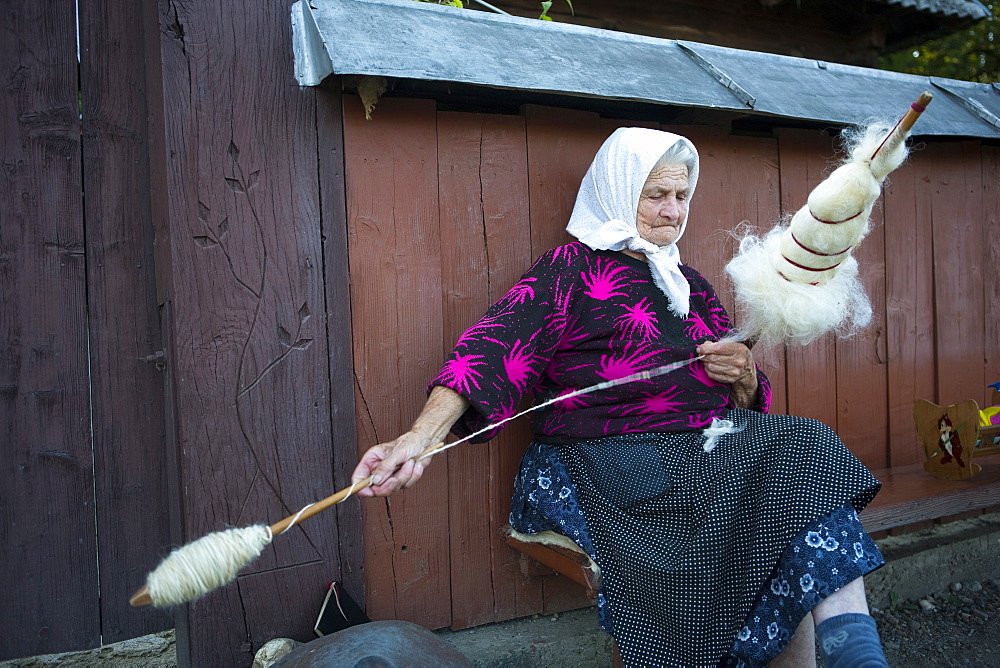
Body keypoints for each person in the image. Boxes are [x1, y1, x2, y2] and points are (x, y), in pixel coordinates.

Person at [351, 128, 888, 667]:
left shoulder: (689, 284)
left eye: (681, 196)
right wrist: (418, 438)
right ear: (617, 189)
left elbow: (747, 401)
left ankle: (856, 658)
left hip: (705, 456)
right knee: (797, 468)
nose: (672, 210)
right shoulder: (571, 270)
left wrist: (743, 375)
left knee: (801, 471)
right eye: (656, 195)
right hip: (611, 461)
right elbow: (490, 353)